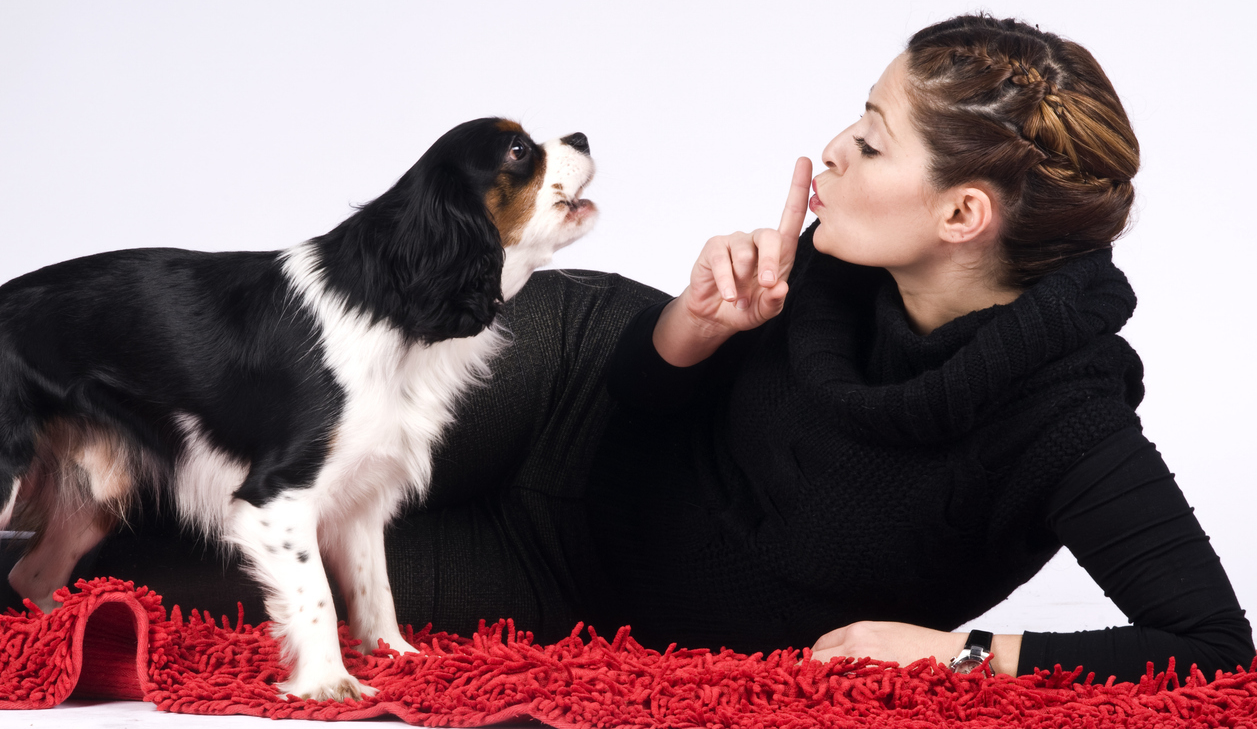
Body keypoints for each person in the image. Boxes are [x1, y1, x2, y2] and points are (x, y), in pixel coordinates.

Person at [13, 14, 1250, 684]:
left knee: (161, 577)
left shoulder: (1068, 421)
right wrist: (688, 331)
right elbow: (645, 398)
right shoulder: (831, 264)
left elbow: (1214, 650)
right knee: (222, 421)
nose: (831, 150)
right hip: (554, 383)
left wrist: (962, 652)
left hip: (568, 586)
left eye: (872, 141)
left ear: (963, 216)